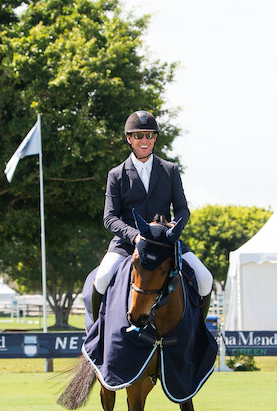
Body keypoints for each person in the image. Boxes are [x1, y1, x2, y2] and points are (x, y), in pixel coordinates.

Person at [91, 111, 212, 319]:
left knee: (205, 278)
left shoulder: (170, 170)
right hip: (128, 243)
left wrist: (174, 226)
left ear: (155, 137)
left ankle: (199, 337)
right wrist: (135, 235)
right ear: (129, 139)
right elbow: (109, 217)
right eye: (138, 136)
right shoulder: (116, 174)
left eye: (149, 135)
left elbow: (182, 209)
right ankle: (96, 337)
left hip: (164, 243)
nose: (144, 140)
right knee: (102, 278)